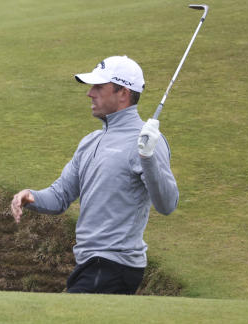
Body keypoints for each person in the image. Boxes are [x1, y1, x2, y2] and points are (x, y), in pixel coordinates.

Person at [10, 55, 179, 294]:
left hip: (116, 265)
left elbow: (167, 204)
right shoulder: (90, 142)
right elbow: (60, 195)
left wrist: (148, 159)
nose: (90, 93)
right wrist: (30, 197)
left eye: (99, 87)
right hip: (90, 263)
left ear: (123, 93)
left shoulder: (147, 141)